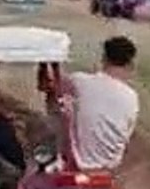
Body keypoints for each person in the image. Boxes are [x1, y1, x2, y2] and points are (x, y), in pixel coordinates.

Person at [60, 35, 141, 171]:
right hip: (107, 169)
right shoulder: (132, 97)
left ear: (104, 58)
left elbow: (54, 87)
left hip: (75, 164)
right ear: (130, 65)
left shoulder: (79, 81)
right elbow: (126, 135)